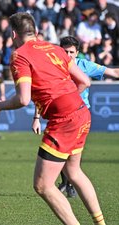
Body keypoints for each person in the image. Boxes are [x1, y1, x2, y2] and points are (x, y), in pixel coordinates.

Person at [0, 12, 106, 225]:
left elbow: (23, 99)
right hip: (81, 112)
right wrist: (68, 101)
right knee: (73, 171)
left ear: (14, 34)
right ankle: (100, 222)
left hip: (65, 120)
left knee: (43, 185)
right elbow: (85, 81)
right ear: (35, 31)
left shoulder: (20, 55)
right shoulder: (56, 49)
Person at [32, 35, 119, 198]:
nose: (68, 55)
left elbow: (113, 71)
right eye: (65, 51)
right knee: (63, 152)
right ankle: (67, 183)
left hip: (79, 115)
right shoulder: (52, 67)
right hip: (59, 114)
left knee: (71, 153)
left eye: (72, 52)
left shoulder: (83, 65)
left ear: (77, 53)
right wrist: (36, 118)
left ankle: (68, 183)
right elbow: (41, 93)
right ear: (59, 51)